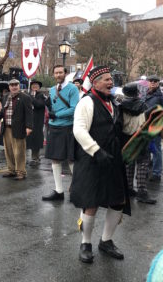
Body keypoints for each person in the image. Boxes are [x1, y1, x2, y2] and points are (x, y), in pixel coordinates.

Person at [71, 66, 130, 264]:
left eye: (111, 79)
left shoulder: (114, 103)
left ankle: (106, 241)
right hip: (92, 158)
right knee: (91, 203)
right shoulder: (86, 102)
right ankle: (85, 243)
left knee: (118, 200)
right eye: (105, 79)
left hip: (113, 158)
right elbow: (79, 130)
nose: (110, 82)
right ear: (94, 83)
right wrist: (96, 150)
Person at [43, 66, 79, 200]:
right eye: (56, 73)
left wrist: (56, 114)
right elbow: (52, 107)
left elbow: (75, 109)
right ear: (53, 74)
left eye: (60, 72)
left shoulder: (72, 88)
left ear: (65, 73)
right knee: (55, 159)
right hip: (54, 128)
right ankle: (59, 191)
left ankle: (78, 189)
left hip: (67, 127)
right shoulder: (52, 90)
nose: (58, 75)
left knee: (71, 159)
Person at [121, 82, 156, 204]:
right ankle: (142, 192)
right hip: (140, 137)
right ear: (136, 92)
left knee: (129, 164)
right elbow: (149, 122)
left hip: (126, 137)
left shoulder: (120, 106)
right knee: (142, 163)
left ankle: (129, 189)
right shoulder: (143, 105)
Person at [0, 78, 33, 180]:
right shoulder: (6, 96)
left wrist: (29, 127)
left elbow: (29, 113)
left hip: (19, 128)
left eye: (16, 85)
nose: (14, 87)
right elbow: (3, 110)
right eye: (12, 85)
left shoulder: (25, 97)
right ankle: (11, 170)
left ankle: (21, 172)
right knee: (9, 151)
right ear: (9, 87)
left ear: (19, 86)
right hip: (6, 127)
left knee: (19, 151)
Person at [144, 75, 163, 182]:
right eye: (151, 81)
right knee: (145, 150)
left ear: (158, 83)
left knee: (155, 150)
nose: (153, 82)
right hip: (145, 126)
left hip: (156, 126)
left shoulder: (162, 96)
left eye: (155, 81)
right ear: (148, 82)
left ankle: (156, 173)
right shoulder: (144, 94)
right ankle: (145, 170)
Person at [26, 80, 46, 167]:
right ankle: (27, 158)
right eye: (33, 85)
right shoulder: (27, 95)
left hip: (37, 121)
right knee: (28, 140)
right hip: (28, 120)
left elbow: (38, 104)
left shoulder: (41, 96)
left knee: (35, 140)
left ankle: (35, 158)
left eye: (36, 85)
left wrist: (31, 97)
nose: (34, 86)